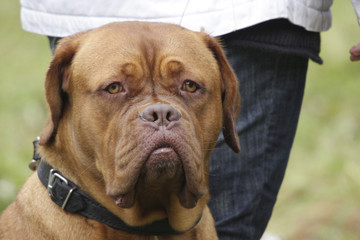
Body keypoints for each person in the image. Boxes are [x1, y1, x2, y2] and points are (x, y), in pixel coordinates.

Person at [20, 0, 360, 239]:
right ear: (60, 96)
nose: (160, 114)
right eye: (115, 89)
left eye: (189, 87)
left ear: (229, 103)